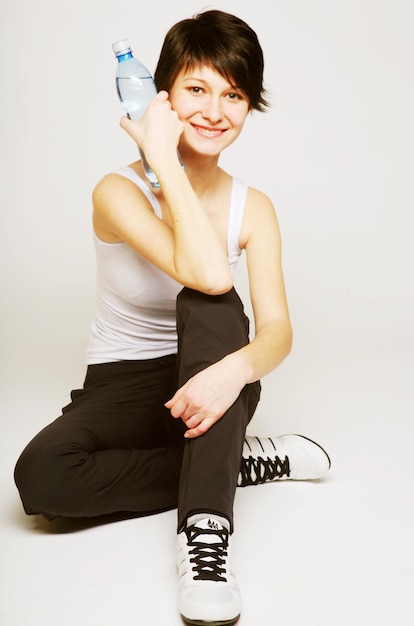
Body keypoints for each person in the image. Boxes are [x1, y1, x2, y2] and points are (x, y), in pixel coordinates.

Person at [14, 9, 331, 626]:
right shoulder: (117, 192)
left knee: (211, 308)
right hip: (124, 384)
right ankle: (234, 463)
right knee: (42, 478)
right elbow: (206, 267)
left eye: (233, 95)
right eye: (197, 89)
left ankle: (206, 535)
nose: (215, 111)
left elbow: (276, 331)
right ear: (161, 96)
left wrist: (231, 374)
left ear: (248, 106)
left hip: (214, 374)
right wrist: (163, 159)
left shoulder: (254, 207)